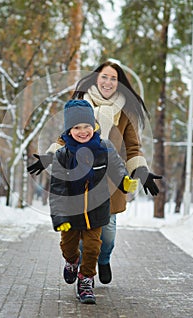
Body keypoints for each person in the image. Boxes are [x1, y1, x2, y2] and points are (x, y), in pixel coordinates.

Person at [27, 60, 162, 285]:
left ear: (119, 84)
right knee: (82, 234)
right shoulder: (80, 105)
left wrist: (141, 171)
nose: (108, 82)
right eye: (104, 77)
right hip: (80, 182)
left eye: (113, 78)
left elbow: (133, 147)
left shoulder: (125, 112)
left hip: (112, 181)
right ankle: (84, 273)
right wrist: (50, 156)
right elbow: (64, 138)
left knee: (107, 236)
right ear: (96, 79)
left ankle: (104, 258)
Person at [48, 99, 138, 304]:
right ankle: (71, 262)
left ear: (94, 126)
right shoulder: (62, 155)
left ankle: (86, 280)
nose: (82, 131)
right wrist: (59, 217)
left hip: (97, 209)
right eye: (76, 127)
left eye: (86, 126)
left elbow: (117, 169)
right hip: (71, 212)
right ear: (69, 130)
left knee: (92, 248)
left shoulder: (104, 148)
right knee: (69, 247)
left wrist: (125, 182)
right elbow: (57, 189)